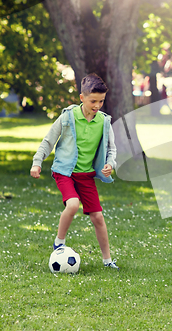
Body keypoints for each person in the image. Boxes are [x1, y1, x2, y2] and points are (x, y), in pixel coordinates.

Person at [30, 73, 119, 270]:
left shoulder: (104, 121)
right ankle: (59, 243)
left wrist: (110, 164)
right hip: (65, 172)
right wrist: (37, 162)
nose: (97, 105)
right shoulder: (68, 117)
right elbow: (48, 141)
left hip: (86, 175)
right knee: (72, 204)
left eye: (101, 101)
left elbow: (112, 148)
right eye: (93, 101)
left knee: (98, 217)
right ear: (82, 98)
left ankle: (107, 260)